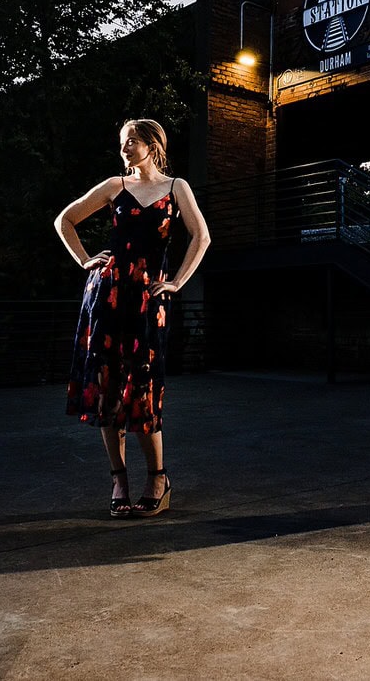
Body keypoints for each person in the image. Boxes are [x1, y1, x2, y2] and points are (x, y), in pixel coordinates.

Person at [55, 118, 211, 518]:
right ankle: (118, 478)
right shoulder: (115, 187)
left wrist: (176, 282)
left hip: (147, 300)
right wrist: (87, 261)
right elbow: (64, 220)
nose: (125, 148)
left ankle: (158, 477)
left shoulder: (177, 188)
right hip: (107, 295)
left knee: (142, 389)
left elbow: (202, 236)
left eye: (133, 141)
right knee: (108, 388)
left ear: (152, 144)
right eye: (123, 142)